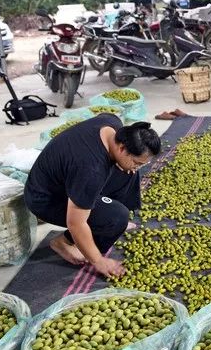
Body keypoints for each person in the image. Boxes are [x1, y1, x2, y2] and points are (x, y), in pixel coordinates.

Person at [24, 114, 161, 278]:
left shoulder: (113, 124)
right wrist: (98, 261)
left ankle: (105, 216)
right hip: (45, 199)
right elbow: (75, 223)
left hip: (64, 180)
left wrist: (130, 165)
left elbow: (122, 163)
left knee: (129, 172)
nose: (138, 167)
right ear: (122, 148)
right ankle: (64, 242)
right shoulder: (91, 169)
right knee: (117, 217)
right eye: (137, 162)